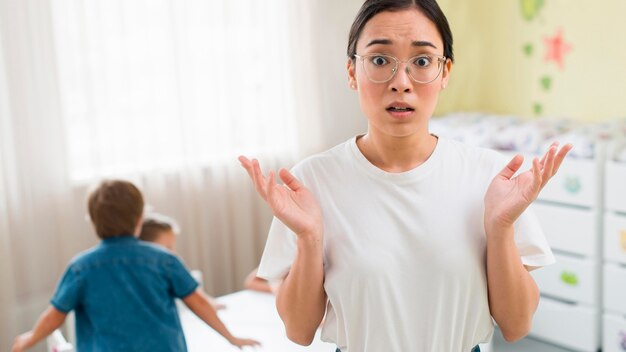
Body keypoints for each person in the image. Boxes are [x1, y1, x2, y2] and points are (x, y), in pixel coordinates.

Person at [238, 0, 573, 351]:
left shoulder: (490, 177)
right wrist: (309, 239)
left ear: (445, 73)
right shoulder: (312, 179)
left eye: (422, 61)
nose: (401, 82)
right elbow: (298, 330)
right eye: (380, 60)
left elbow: (516, 325)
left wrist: (501, 228)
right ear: (352, 71)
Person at [12, 180, 259, 352]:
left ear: (93, 221)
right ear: (140, 219)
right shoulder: (165, 260)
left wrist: (30, 338)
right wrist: (231, 338)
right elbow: (200, 304)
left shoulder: (80, 268)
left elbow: (54, 316)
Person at [139, 212, 226, 310]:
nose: (172, 253)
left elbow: (195, 293)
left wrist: (211, 302)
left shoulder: (171, 266)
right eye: (168, 248)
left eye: (172, 247)